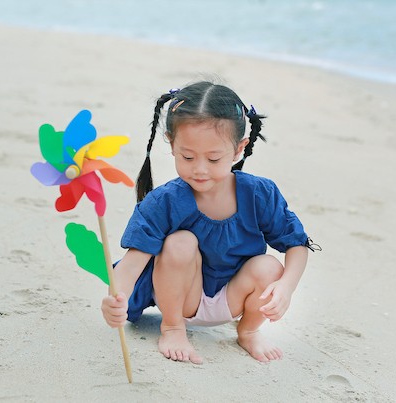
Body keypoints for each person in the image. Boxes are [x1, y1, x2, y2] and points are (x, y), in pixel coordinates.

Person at [101, 81, 318, 364]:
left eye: (214, 158)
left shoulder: (258, 193)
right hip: (181, 298)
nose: (200, 169)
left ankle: (249, 331)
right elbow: (132, 265)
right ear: (171, 143)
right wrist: (114, 298)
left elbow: (297, 244)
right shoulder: (164, 201)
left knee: (271, 267)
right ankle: (172, 328)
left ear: (239, 148)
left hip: (232, 298)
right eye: (188, 157)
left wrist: (286, 287)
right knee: (181, 241)